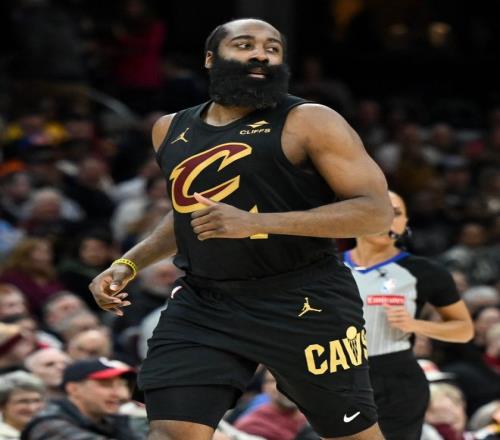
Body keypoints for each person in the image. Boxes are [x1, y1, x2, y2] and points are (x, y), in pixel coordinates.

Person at [89, 18, 393, 440]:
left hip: (304, 298)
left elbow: (376, 212)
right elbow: (188, 214)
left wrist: (256, 223)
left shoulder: (310, 120)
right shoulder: (170, 128)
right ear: (210, 59)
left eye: (273, 49)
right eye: (245, 45)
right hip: (205, 302)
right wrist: (129, 263)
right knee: (171, 433)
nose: (261, 55)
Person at [341, 191, 474, 440]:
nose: (387, 220)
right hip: (339, 375)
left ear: (405, 223)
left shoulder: (424, 271)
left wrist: (415, 324)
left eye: (396, 214)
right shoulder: (329, 270)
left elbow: (464, 330)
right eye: (379, 211)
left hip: (396, 378)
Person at [21, 358, 143, 440]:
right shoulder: (48, 424)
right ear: (74, 389)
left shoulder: (112, 420)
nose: (119, 394)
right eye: (106, 385)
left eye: (121, 385)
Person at [0, 371, 45, 440]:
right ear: (2, 406)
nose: (32, 408)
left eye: (37, 400)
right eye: (23, 401)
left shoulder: (51, 432)